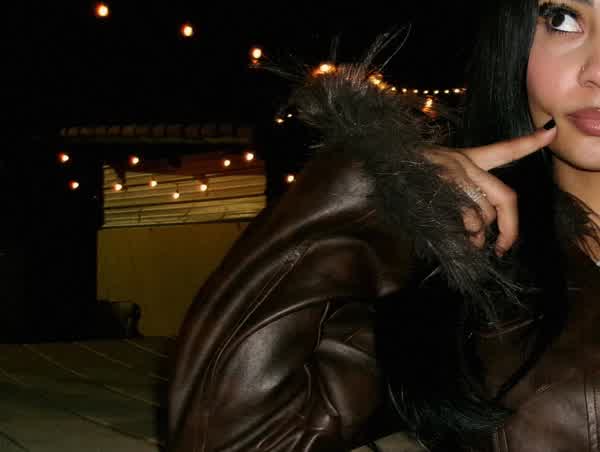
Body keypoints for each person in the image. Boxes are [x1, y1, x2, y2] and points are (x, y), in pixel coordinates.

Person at [167, 0, 600, 450]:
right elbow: (230, 437)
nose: (596, 72)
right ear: (514, 44)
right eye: (562, 19)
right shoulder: (454, 262)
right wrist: (364, 187)